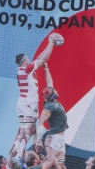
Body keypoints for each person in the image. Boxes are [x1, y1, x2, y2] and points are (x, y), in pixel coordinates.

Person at [11, 32, 62, 160]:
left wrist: (49, 44)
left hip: (22, 103)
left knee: (22, 131)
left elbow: (41, 57)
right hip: (29, 103)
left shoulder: (24, 69)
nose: (29, 59)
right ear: (24, 61)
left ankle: (17, 151)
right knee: (29, 130)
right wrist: (51, 43)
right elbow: (44, 59)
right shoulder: (27, 69)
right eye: (27, 58)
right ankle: (18, 156)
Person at [35, 63, 68, 169]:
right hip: (54, 138)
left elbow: (50, 82)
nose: (55, 91)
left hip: (61, 140)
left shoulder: (52, 99)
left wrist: (46, 67)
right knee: (47, 166)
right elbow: (41, 122)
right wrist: (38, 140)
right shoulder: (49, 106)